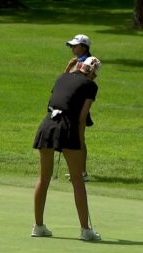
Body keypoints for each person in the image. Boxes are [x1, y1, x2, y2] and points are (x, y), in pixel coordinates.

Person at [31, 56, 102, 241]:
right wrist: (79, 141)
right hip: (67, 127)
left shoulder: (62, 77)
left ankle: (38, 226)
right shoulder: (91, 86)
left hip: (47, 125)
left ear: (80, 66)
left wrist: (68, 69)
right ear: (93, 73)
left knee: (43, 178)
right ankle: (85, 230)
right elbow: (81, 118)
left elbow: (60, 94)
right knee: (77, 180)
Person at [64, 34, 94, 182]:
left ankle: (82, 172)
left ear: (83, 47)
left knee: (79, 137)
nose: (72, 48)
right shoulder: (75, 61)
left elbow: (87, 79)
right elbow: (64, 80)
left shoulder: (91, 61)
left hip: (81, 104)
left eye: (75, 46)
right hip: (69, 103)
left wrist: (74, 70)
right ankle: (75, 169)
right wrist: (69, 67)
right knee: (71, 137)